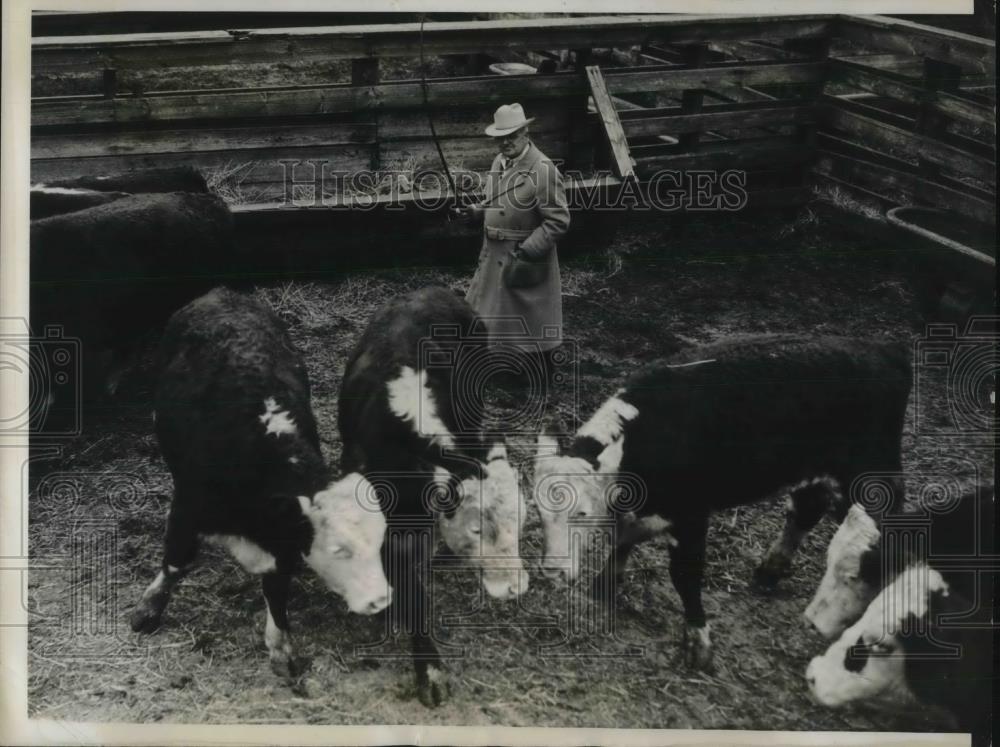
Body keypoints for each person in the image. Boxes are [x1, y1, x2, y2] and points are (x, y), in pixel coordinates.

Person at [456, 103, 570, 392]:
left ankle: (541, 380)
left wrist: (527, 251)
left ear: (525, 132)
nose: (506, 142)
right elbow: (497, 201)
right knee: (491, 315)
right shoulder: (499, 162)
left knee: (531, 321)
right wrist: (476, 212)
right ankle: (502, 371)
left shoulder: (543, 170)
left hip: (524, 258)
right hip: (493, 254)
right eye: (500, 136)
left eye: (513, 135)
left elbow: (558, 221)